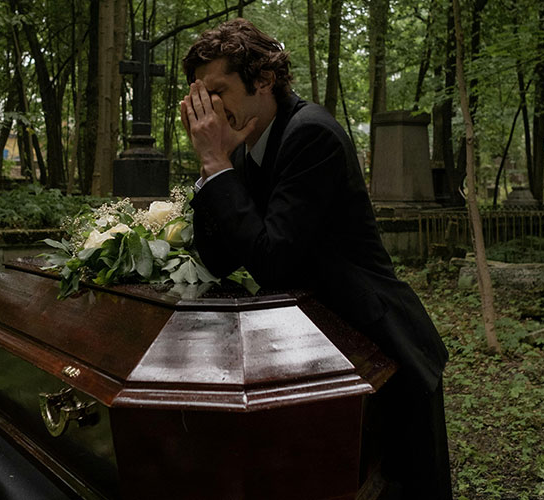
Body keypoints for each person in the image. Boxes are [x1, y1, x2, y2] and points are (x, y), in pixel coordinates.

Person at [180, 18, 452, 499]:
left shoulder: (311, 134)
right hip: (317, 351)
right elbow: (219, 259)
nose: (210, 107)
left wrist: (218, 166)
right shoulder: (243, 146)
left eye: (218, 89)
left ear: (262, 80)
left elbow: (273, 262)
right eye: (201, 94)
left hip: (379, 346)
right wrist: (212, 168)